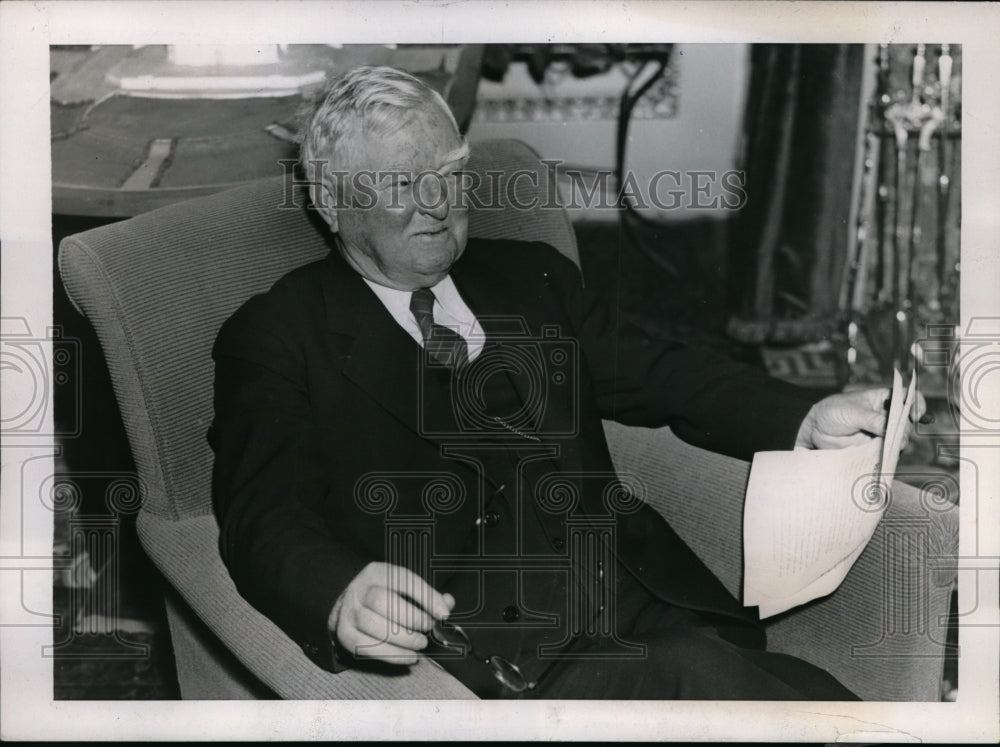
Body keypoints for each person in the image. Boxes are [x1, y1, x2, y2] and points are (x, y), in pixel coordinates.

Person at [209, 66, 925, 700]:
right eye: (401, 184)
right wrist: (338, 593)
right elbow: (263, 514)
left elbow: (663, 371)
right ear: (333, 205)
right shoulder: (280, 335)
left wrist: (804, 415)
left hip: (649, 602)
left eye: (450, 174)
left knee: (823, 703)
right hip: (513, 660)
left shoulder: (529, 276)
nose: (437, 203)